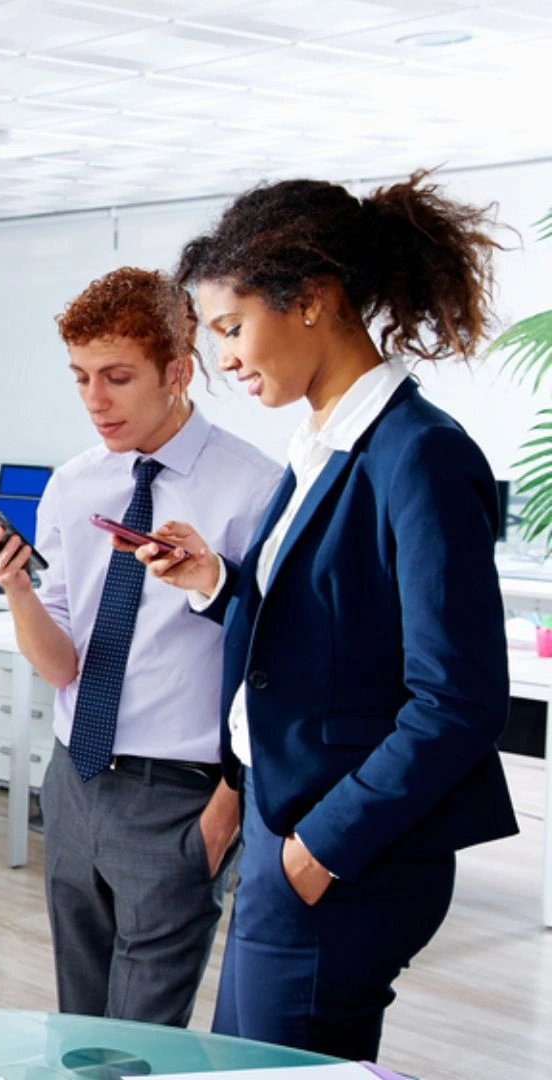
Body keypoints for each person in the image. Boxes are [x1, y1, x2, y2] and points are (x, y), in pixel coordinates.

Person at [136, 171, 519, 1060]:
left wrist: (318, 849)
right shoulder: (321, 444)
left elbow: (457, 701)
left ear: (309, 300)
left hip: (342, 845)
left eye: (232, 328)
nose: (224, 359)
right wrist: (218, 584)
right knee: (248, 1065)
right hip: (286, 821)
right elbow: (332, 633)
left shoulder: (418, 457)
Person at [0, 267, 281, 1027]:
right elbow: (62, 663)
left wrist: (223, 817)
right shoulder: (73, 486)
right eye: (79, 379)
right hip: (75, 780)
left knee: (138, 1044)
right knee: (79, 1028)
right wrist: (17, 591)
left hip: (180, 797)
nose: (94, 401)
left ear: (178, 371)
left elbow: (281, 666)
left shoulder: (257, 489)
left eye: (116, 377)